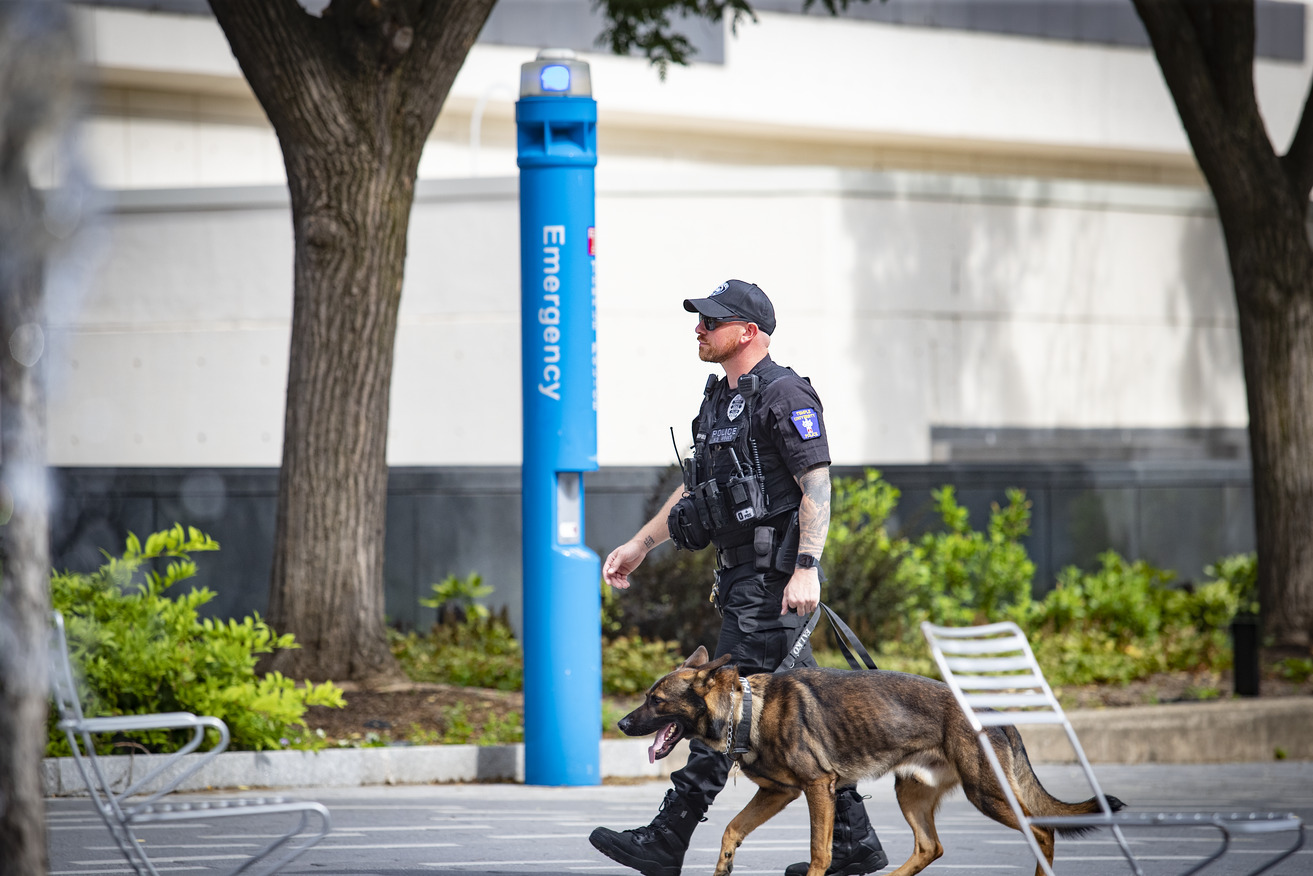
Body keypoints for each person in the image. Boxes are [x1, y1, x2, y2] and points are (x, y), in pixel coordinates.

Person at [589, 280, 887, 876]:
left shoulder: (785, 394)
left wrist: (806, 567)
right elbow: (697, 491)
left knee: (714, 707)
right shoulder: (717, 401)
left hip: (774, 584)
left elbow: (817, 485)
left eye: (711, 321)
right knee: (804, 718)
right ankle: (853, 845)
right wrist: (642, 544)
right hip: (742, 581)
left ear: (748, 332)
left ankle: (667, 840)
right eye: (699, 320)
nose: (699, 328)